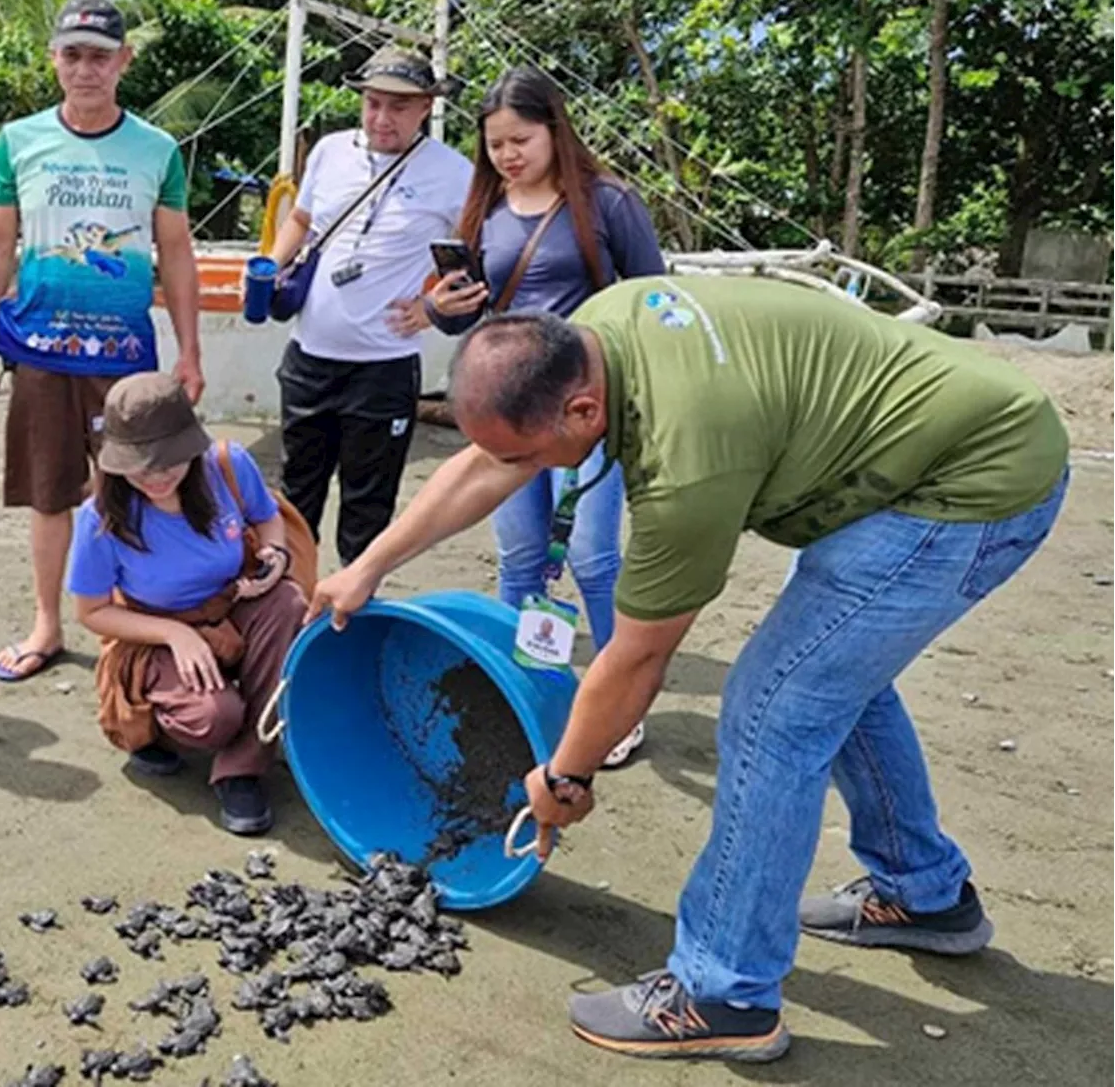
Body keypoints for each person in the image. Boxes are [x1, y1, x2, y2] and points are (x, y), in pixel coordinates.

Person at [307, 274, 1069, 1062]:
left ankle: (724, 991)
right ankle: (924, 892)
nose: (516, 469)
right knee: (830, 671)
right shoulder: (591, 335)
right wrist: (370, 565)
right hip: (923, 444)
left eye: (529, 455)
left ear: (583, 413)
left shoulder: (686, 462)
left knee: (775, 710)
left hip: (972, 483)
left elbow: (637, 658)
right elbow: (491, 459)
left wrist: (564, 779)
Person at [0, 0, 205, 683]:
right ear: (54, 59)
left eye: (100, 56)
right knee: (48, 492)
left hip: (126, 357)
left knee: (136, 487)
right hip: (38, 351)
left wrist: (189, 350)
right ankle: (47, 622)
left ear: (123, 62)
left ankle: (129, 618)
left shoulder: (158, 150)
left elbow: (177, 251)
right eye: (72, 54)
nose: (86, 69)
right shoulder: (19, 139)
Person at [427, 66, 664, 768]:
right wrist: (446, 306)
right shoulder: (484, 209)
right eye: (495, 144)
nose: (507, 155)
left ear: (555, 132)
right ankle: (529, 686)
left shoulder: (607, 203)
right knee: (521, 557)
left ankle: (619, 704)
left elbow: (653, 298)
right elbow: (452, 314)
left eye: (520, 140)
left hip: (586, 408)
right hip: (506, 411)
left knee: (592, 555)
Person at [68, 373, 307, 835]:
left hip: (232, 603)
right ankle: (154, 723)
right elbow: (91, 612)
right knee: (215, 717)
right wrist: (175, 635)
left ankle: (242, 767)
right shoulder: (99, 517)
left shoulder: (227, 465)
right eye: (138, 466)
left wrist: (275, 556)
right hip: (153, 627)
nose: (155, 478)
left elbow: (268, 519)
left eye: (168, 462)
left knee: (288, 602)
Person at [263, 45, 473, 566]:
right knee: (294, 499)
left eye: (399, 106)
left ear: (427, 106)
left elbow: (470, 262)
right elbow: (301, 221)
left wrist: (432, 308)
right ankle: (290, 612)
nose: (382, 118)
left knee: (367, 508)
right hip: (309, 357)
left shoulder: (454, 173)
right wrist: (269, 266)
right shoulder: (330, 152)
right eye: (374, 103)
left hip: (383, 367)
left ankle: (352, 622)